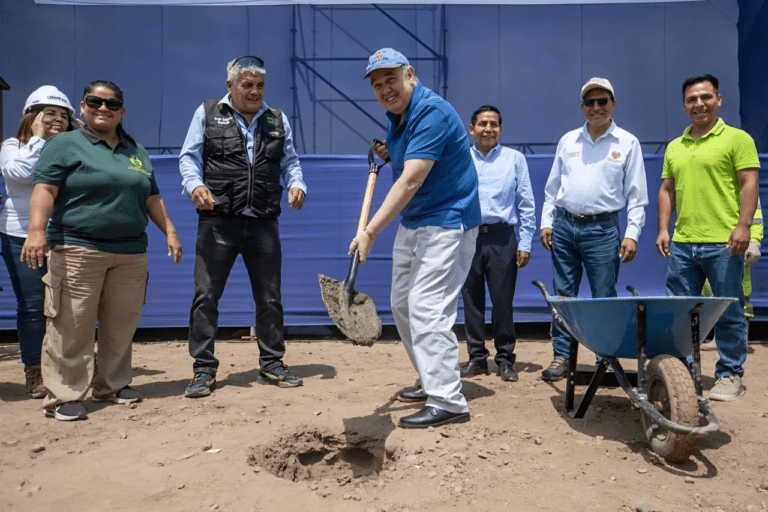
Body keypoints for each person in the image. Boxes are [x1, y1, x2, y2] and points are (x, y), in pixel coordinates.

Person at [21, 80, 182, 421]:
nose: (103, 109)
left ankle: (111, 385)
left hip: (130, 253)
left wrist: (169, 231)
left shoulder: (134, 150)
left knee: (120, 323)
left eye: (112, 104)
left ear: (121, 111)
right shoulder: (64, 144)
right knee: (71, 324)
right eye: (95, 102)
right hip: (78, 248)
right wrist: (36, 232)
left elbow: (151, 196)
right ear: (82, 107)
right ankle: (64, 395)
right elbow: (45, 189)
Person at [350, 48, 481, 428]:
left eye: (390, 79)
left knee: (426, 306)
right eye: (377, 84)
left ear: (410, 74)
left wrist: (370, 231)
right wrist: (390, 152)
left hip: (447, 220)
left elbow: (411, 179)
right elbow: (409, 162)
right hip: (416, 221)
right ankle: (431, 378)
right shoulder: (398, 116)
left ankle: (448, 400)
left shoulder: (431, 112)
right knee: (402, 305)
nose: (385, 89)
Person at [179, 56, 307, 397]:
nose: (254, 91)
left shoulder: (276, 119)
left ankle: (272, 364)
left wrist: (297, 184)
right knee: (206, 296)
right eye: (247, 85)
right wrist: (195, 186)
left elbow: (290, 160)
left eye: (260, 85)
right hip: (218, 221)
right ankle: (203, 369)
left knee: (270, 297)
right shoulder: (207, 113)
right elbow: (189, 157)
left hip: (264, 221)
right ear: (230, 86)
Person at [656, 74, 759, 402]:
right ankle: (680, 370)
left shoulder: (737, 138)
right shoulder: (675, 146)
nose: (698, 104)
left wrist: (744, 227)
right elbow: (666, 190)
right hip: (684, 244)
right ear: (684, 105)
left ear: (718, 99)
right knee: (679, 311)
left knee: (729, 310)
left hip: (724, 244)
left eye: (705, 97)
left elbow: (749, 184)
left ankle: (730, 374)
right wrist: (663, 229)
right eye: (691, 100)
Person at [540, 77, 648, 382]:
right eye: (590, 102)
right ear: (582, 107)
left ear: (613, 104)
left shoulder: (627, 143)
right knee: (564, 296)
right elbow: (552, 188)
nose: (596, 107)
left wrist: (632, 233)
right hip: (563, 227)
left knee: (603, 298)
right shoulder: (567, 141)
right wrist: (547, 222)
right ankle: (562, 356)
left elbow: (637, 196)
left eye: (603, 101)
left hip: (603, 231)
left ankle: (604, 358)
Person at [0, 85, 76, 398]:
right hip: (20, 235)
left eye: (63, 115)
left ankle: (72, 365)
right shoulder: (12, 145)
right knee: (32, 306)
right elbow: (18, 173)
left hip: (65, 234)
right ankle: (35, 370)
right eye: (50, 114)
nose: (57, 119)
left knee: (70, 306)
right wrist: (39, 140)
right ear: (32, 117)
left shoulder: (76, 146)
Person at [458, 105, 535, 383]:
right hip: (468, 237)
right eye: (482, 124)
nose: (488, 128)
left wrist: (525, 242)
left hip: (503, 238)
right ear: (472, 129)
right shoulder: (461, 158)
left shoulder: (515, 159)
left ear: (500, 129)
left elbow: (526, 203)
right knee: (471, 301)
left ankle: (505, 360)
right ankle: (477, 359)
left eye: (493, 124)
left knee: (503, 302)